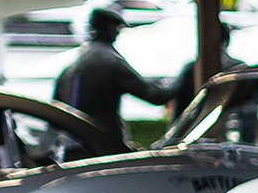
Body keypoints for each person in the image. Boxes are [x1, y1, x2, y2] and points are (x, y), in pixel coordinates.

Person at [51, 9, 176, 147]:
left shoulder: (71, 67)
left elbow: (54, 120)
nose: (118, 33)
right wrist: (184, 76)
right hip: (101, 150)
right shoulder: (110, 62)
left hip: (71, 151)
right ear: (111, 29)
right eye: (118, 29)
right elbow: (155, 95)